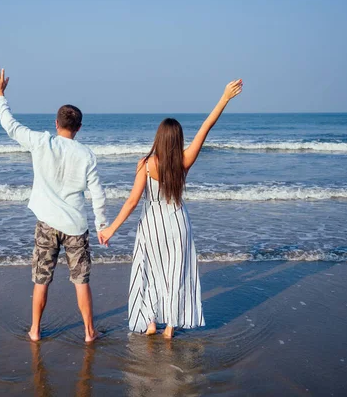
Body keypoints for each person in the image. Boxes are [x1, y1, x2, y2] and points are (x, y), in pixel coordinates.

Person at [99, 79, 243, 338]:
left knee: (150, 272)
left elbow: (132, 201)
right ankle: (170, 328)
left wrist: (111, 229)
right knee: (175, 273)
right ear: (177, 140)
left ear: (159, 138)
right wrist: (224, 98)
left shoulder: (145, 164)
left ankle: (151, 322)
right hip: (177, 223)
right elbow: (206, 127)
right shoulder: (184, 161)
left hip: (151, 226)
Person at [0, 67, 107, 342]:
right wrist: (102, 225)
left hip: (47, 224)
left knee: (41, 279)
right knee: (81, 281)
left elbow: (10, 125)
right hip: (76, 227)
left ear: (56, 124)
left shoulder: (42, 142)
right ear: (78, 128)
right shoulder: (86, 155)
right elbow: (98, 194)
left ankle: (35, 330)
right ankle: (89, 332)